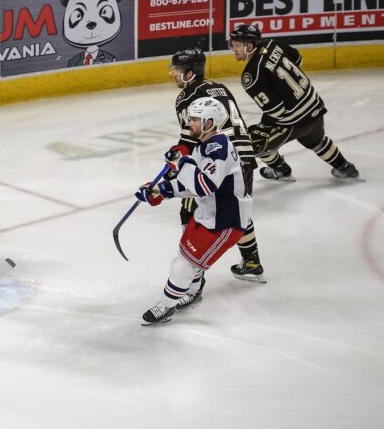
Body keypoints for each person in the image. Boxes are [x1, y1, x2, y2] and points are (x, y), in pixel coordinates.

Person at [135, 98, 252, 325]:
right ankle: (192, 292)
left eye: (195, 119)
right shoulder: (204, 146)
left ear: (209, 123)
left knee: (183, 265)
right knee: (187, 255)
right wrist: (160, 190)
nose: (190, 123)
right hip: (209, 215)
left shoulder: (218, 147)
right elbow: (193, 185)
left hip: (226, 222)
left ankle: (166, 306)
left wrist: (181, 162)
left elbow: (204, 185)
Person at [168, 47, 265, 288]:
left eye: (178, 70)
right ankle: (252, 264)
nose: (173, 74)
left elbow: (189, 141)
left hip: (220, 159)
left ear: (190, 74)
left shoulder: (187, 98)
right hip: (243, 156)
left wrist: (176, 165)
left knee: (190, 211)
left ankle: (192, 275)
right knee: (236, 211)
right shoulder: (218, 87)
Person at [228, 24, 359, 181]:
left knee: (255, 142)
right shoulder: (272, 44)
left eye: (236, 45)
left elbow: (276, 111)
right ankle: (345, 167)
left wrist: (263, 127)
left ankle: (281, 171)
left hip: (296, 122)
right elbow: (298, 58)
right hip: (314, 106)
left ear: (249, 46)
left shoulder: (251, 75)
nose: (234, 49)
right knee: (316, 141)